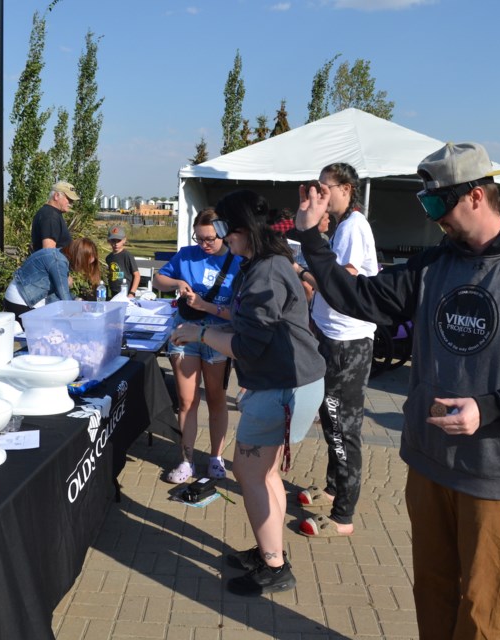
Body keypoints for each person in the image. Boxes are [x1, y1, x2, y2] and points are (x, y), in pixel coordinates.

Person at [296, 142, 500, 638]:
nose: (433, 218)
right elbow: (358, 298)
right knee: (431, 589)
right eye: (425, 205)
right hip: (428, 461)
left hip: (495, 470)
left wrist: (489, 409)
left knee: (479, 608)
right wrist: (312, 239)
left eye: (437, 205)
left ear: (476, 196)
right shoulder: (432, 265)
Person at [170, 190, 324, 596]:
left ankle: (274, 566)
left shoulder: (266, 271)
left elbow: (249, 345)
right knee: (264, 472)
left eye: (224, 228)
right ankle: (269, 551)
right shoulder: (260, 265)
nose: (220, 237)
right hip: (281, 383)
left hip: (282, 387)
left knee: (249, 472)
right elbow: (247, 325)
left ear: (243, 229)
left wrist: (199, 332)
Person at [292, 163, 378, 538]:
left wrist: (304, 273)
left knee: (344, 427)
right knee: (331, 419)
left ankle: (344, 515)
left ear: (346, 189)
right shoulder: (344, 226)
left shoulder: (355, 227)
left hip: (348, 342)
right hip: (333, 337)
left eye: (325, 189)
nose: (319, 197)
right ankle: (332, 488)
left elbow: (343, 283)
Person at [153, 209, 242, 483]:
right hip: (184, 334)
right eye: (199, 238)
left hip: (218, 337)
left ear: (223, 234)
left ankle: (215, 457)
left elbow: (241, 314)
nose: (204, 244)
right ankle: (187, 460)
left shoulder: (238, 261)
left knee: (216, 399)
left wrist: (205, 306)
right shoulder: (187, 254)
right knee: (187, 401)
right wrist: (177, 282)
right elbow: (158, 279)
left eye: (210, 239)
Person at [4, 237, 102, 316]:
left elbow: (58, 293)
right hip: (20, 301)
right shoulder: (58, 262)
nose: (82, 269)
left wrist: (78, 300)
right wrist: (79, 310)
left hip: (21, 297)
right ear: (79, 258)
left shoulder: (59, 255)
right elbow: (64, 297)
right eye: (84, 265)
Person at [30, 181, 78, 251]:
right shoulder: (50, 216)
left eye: (72, 201)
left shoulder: (50, 213)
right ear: (56, 196)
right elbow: (48, 252)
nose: (71, 204)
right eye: (69, 199)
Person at [105, 226, 140, 297]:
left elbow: (137, 275)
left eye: (119, 240)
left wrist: (132, 293)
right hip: (113, 293)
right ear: (109, 241)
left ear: (124, 240)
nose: (116, 243)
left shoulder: (127, 256)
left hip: (126, 293)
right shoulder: (109, 258)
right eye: (113, 240)